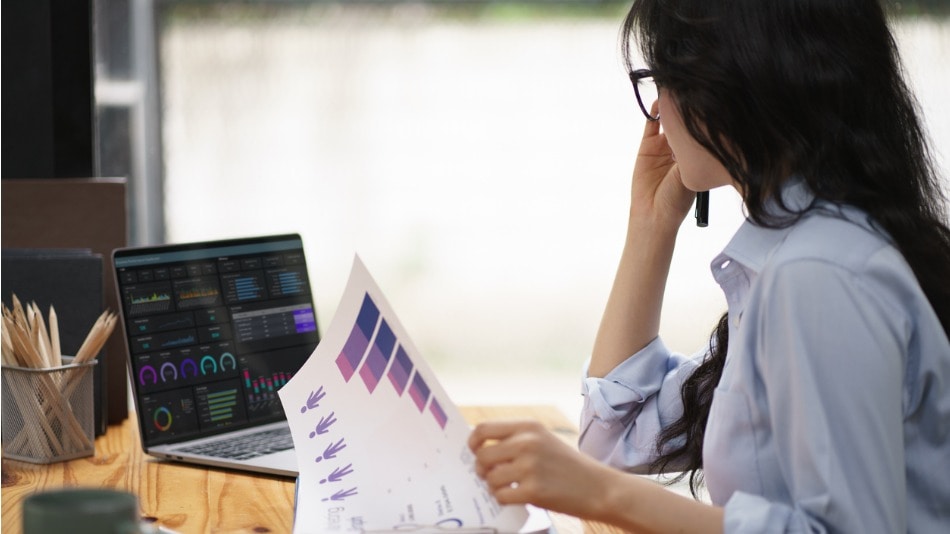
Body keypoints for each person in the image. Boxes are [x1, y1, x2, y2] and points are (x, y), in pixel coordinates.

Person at [468, 0, 950, 532]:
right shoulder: (791, 251)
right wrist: (650, 226)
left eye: (663, 79)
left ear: (732, 83)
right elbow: (614, 437)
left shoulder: (818, 271)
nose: (657, 110)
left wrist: (603, 494)